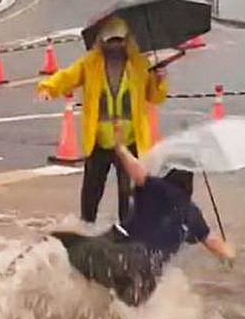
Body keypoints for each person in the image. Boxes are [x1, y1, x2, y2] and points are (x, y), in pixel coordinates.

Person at [51, 123, 236, 306]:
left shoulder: (156, 188)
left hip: (122, 258)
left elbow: (137, 171)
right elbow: (218, 247)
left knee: (60, 244)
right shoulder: (193, 215)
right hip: (146, 283)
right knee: (121, 312)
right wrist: (229, 253)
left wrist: (119, 147)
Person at [36, 16, 168, 223]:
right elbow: (67, 76)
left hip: (129, 140)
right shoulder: (90, 64)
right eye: (110, 41)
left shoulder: (139, 65)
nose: (115, 46)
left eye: (119, 41)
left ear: (127, 40)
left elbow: (154, 97)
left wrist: (159, 80)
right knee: (92, 189)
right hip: (99, 140)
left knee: (128, 192)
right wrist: (48, 88)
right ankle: (86, 225)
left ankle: (128, 230)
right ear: (102, 41)